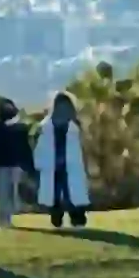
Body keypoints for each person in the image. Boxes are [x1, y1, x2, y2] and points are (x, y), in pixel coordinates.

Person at [35, 92, 92, 229]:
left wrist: (87, 166)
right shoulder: (44, 127)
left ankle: (78, 220)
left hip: (72, 166)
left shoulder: (75, 126)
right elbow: (39, 147)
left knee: (74, 195)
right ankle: (57, 220)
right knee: (54, 196)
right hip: (52, 166)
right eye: (60, 106)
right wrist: (38, 164)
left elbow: (83, 147)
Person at [0, 98, 32, 229]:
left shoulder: (20, 127)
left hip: (15, 165)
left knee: (11, 194)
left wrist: (27, 165)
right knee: (0, 193)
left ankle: (7, 220)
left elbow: (25, 147)